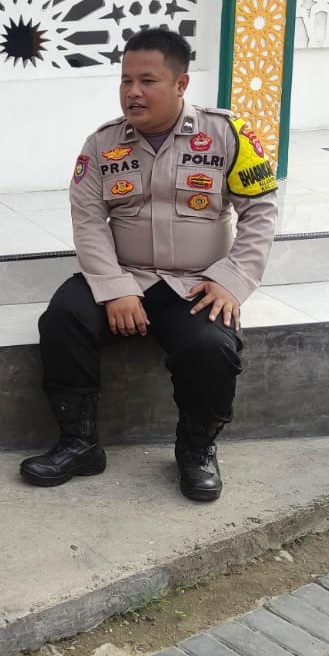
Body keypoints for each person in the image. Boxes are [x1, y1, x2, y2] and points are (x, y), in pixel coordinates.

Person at [21, 27, 279, 501]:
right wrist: (115, 288)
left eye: (147, 81)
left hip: (196, 284)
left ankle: (196, 450)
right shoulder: (102, 144)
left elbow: (261, 211)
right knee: (63, 318)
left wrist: (233, 280)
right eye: (125, 81)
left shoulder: (228, 134)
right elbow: (88, 220)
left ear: (181, 84)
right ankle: (79, 443)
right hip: (126, 275)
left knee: (211, 346)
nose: (132, 92)